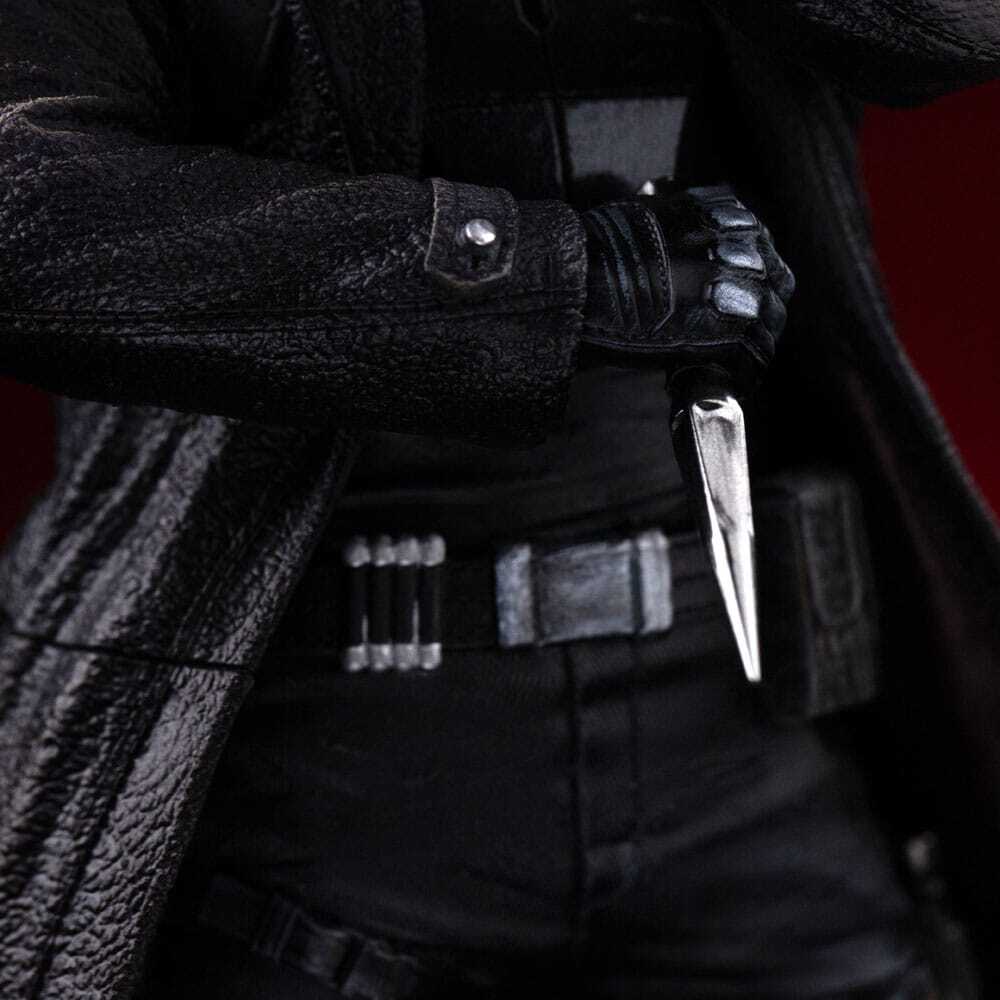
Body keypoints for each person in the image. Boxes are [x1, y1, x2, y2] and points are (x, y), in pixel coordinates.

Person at [0, 1, 998, 998]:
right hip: (312, 744)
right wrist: (545, 279)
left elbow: (953, 30)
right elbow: (27, 213)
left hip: (734, 704)